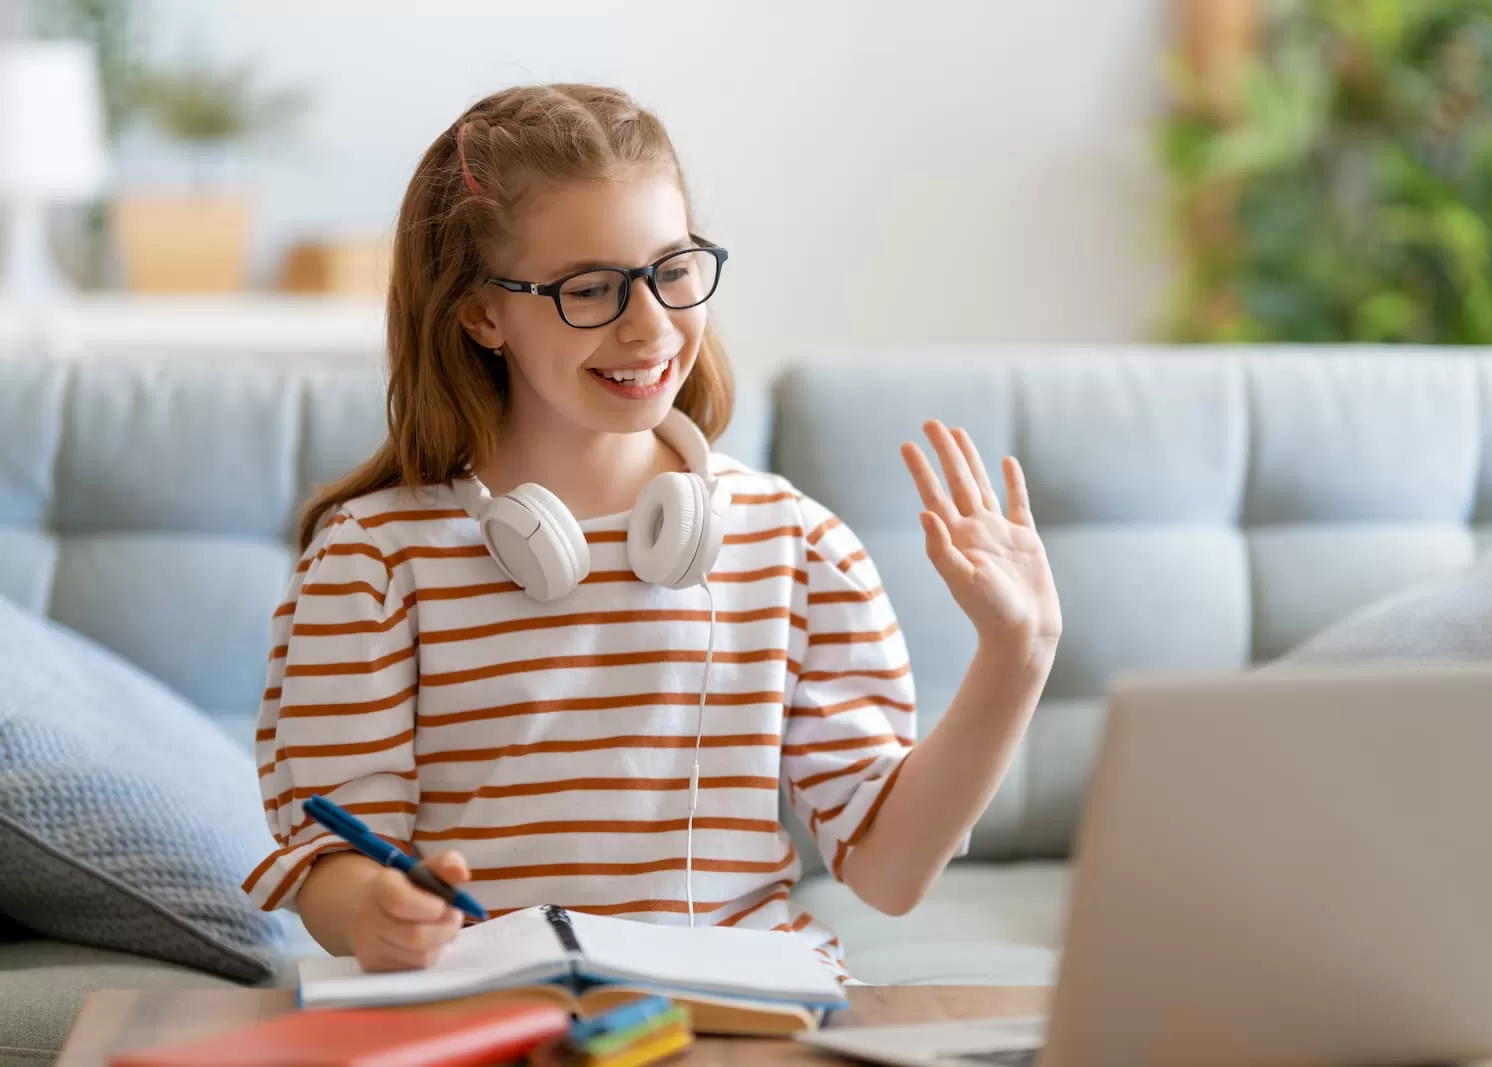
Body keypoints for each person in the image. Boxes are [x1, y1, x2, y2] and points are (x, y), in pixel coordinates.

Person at [242, 83, 1061, 976]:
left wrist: (1015, 654)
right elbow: (332, 860)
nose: (651, 326)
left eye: (673, 271)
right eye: (589, 288)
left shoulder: (798, 547)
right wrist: (375, 909)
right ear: (482, 314)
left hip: (741, 1016)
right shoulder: (371, 562)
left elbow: (893, 870)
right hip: (493, 1010)